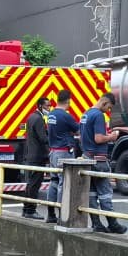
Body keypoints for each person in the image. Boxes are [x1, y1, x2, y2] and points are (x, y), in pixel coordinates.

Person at [78, 93, 126, 233]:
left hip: (87, 158)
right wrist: (112, 136)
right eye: (109, 107)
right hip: (99, 160)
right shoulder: (99, 115)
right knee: (105, 193)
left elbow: (82, 137)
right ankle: (113, 224)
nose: (108, 110)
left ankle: (96, 223)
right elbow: (98, 139)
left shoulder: (86, 114)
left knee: (92, 193)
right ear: (104, 102)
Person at [44, 90, 80, 224]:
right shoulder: (66, 116)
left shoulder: (51, 114)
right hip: (64, 152)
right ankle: (61, 215)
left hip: (53, 152)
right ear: (68, 101)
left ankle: (51, 213)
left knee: (53, 182)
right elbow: (78, 130)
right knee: (63, 183)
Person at [20, 97, 52, 220]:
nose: (49, 108)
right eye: (47, 106)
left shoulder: (31, 117)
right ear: (39, 106)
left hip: (31, 155)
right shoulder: (38, 119)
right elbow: (43, 138)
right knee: (34, 185)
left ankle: (26, 209)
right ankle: (31, 210)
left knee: (30, 184)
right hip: (37, 157)